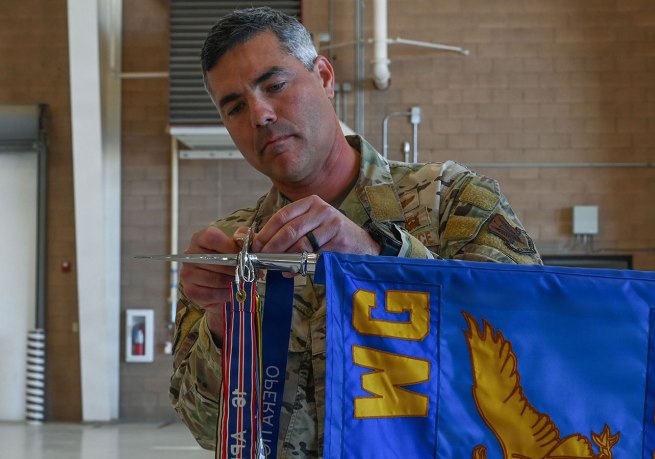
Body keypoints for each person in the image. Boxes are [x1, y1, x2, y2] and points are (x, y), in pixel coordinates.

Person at [169, 6, 542, 458]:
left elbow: (532, 349)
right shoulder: (229, 254)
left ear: (324, 77)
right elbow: (208, 428)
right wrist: (225, 324)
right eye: (235, 106)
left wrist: (380, 263)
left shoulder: (451, 201)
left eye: (275, 85)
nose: (260, 114)